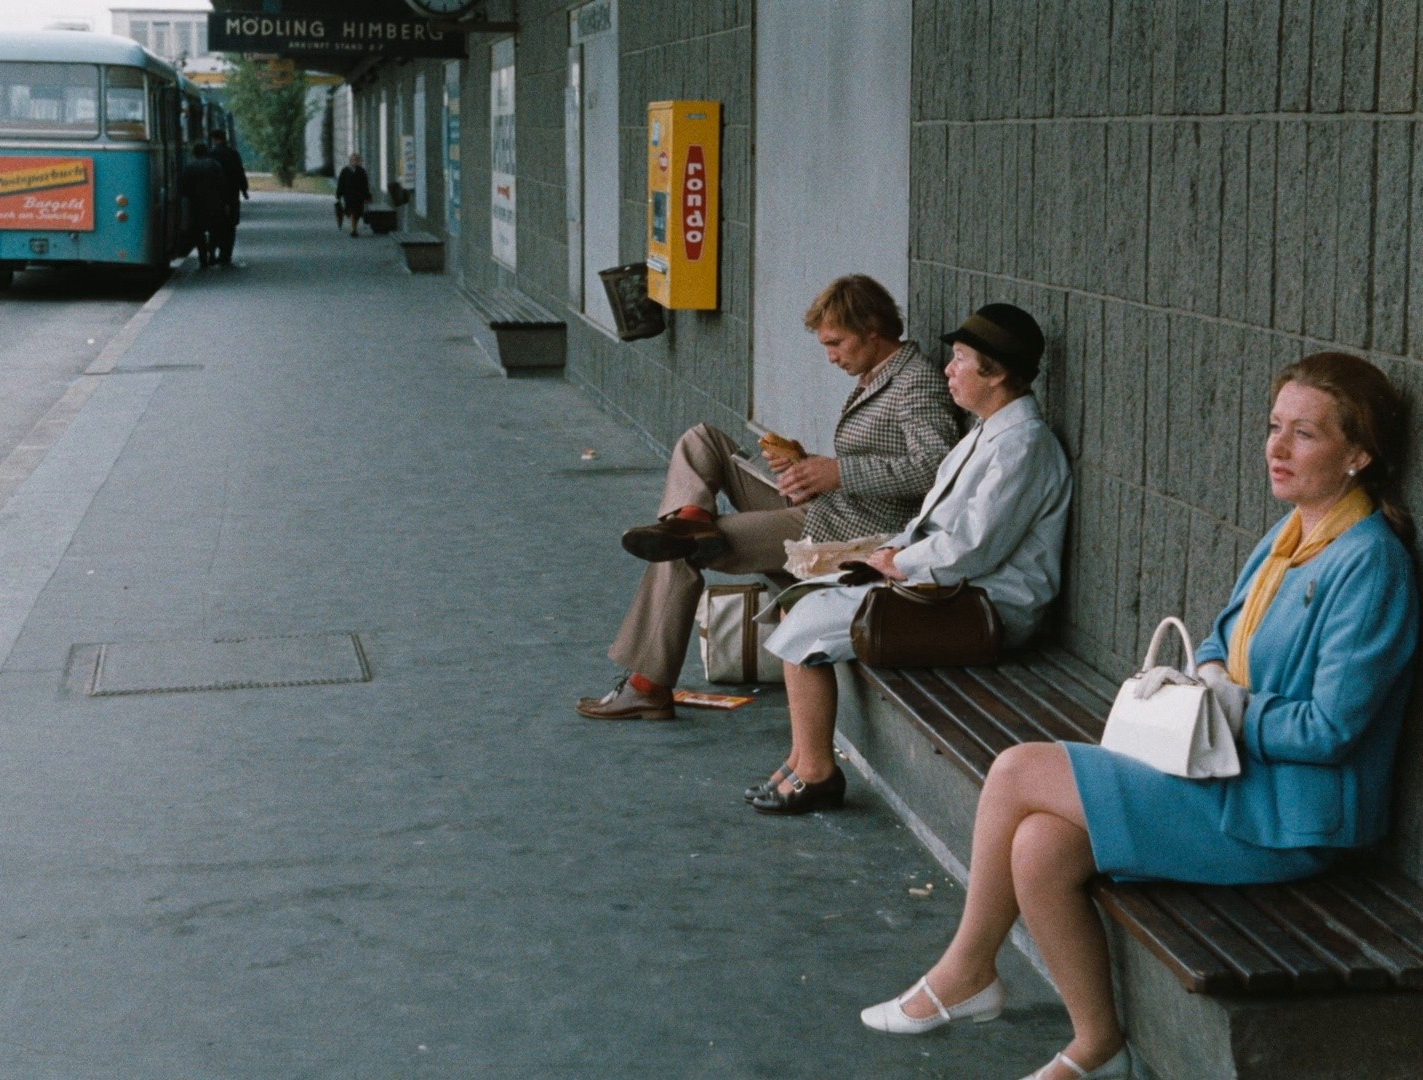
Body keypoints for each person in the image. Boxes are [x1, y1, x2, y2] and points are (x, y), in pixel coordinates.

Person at [858, 352, 1418, 1080]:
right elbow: (1219, 638)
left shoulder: (1370, 562)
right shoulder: (1292, 534)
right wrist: (1209, 675)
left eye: (1304, 434)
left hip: (1290, 818)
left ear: (1359, 454)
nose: (1276, 448)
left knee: (1019, 769)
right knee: (1039, 846)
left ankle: (968, 970)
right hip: (1231, 777)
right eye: (1274, 426)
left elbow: (1333, 731)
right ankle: (1099, 1046)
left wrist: (1231, 707)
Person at [576, 274, 962, 720]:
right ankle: (692, 517)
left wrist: (837, 473)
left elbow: (936, 467)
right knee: (702, 440)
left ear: (872, 330)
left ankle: (646, 685)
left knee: (678, 550)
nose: (830, 356)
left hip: (854, 530)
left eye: (836, 343)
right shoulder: (879, 373)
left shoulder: (917, 381)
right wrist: (806, 465)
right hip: (830, 506)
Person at [751, 303, 1071, 813]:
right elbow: (937, 524)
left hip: (988, 607)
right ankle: (801, 759)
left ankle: (817, 772)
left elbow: (974, 546)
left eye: (961, 359)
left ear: (996, 374)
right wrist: (892, 553)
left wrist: (898, 564)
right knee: (801, 604)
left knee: (807, 621)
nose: (948, 370)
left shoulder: (1024, 445)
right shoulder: (988, 430)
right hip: (950, 587)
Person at [180, 143, 225, 270]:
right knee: (214, 231)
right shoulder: (215, 165)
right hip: (214, 203)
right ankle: (212, 253)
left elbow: (184, 189)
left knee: (198, 232)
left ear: (194, 154)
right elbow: (222, 184)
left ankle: (203, 258)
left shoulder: (189, 167)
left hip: (196, 205)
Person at [207, 128, 249, 265]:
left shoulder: (211, 154)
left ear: (214, 139)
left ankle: (212, 253)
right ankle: (226, 255)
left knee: (214, 225)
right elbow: (240, 172)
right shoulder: (233, 153)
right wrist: (244, 190)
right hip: (231, 194)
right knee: (230, 225)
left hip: (215, 196)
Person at [336, 153, 372, 237]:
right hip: (348, 195)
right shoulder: (345, 171)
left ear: (358, 161)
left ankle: (354, 228)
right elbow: (341, 183)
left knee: (357, 213)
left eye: (356, 160)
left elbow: (365, 185)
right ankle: (353, 229)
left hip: (359, 196)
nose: (354, 161)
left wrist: (367, 196)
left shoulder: (361, 171)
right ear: (350, 161)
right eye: (352, 160)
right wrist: (339, 194)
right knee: (352, 212)